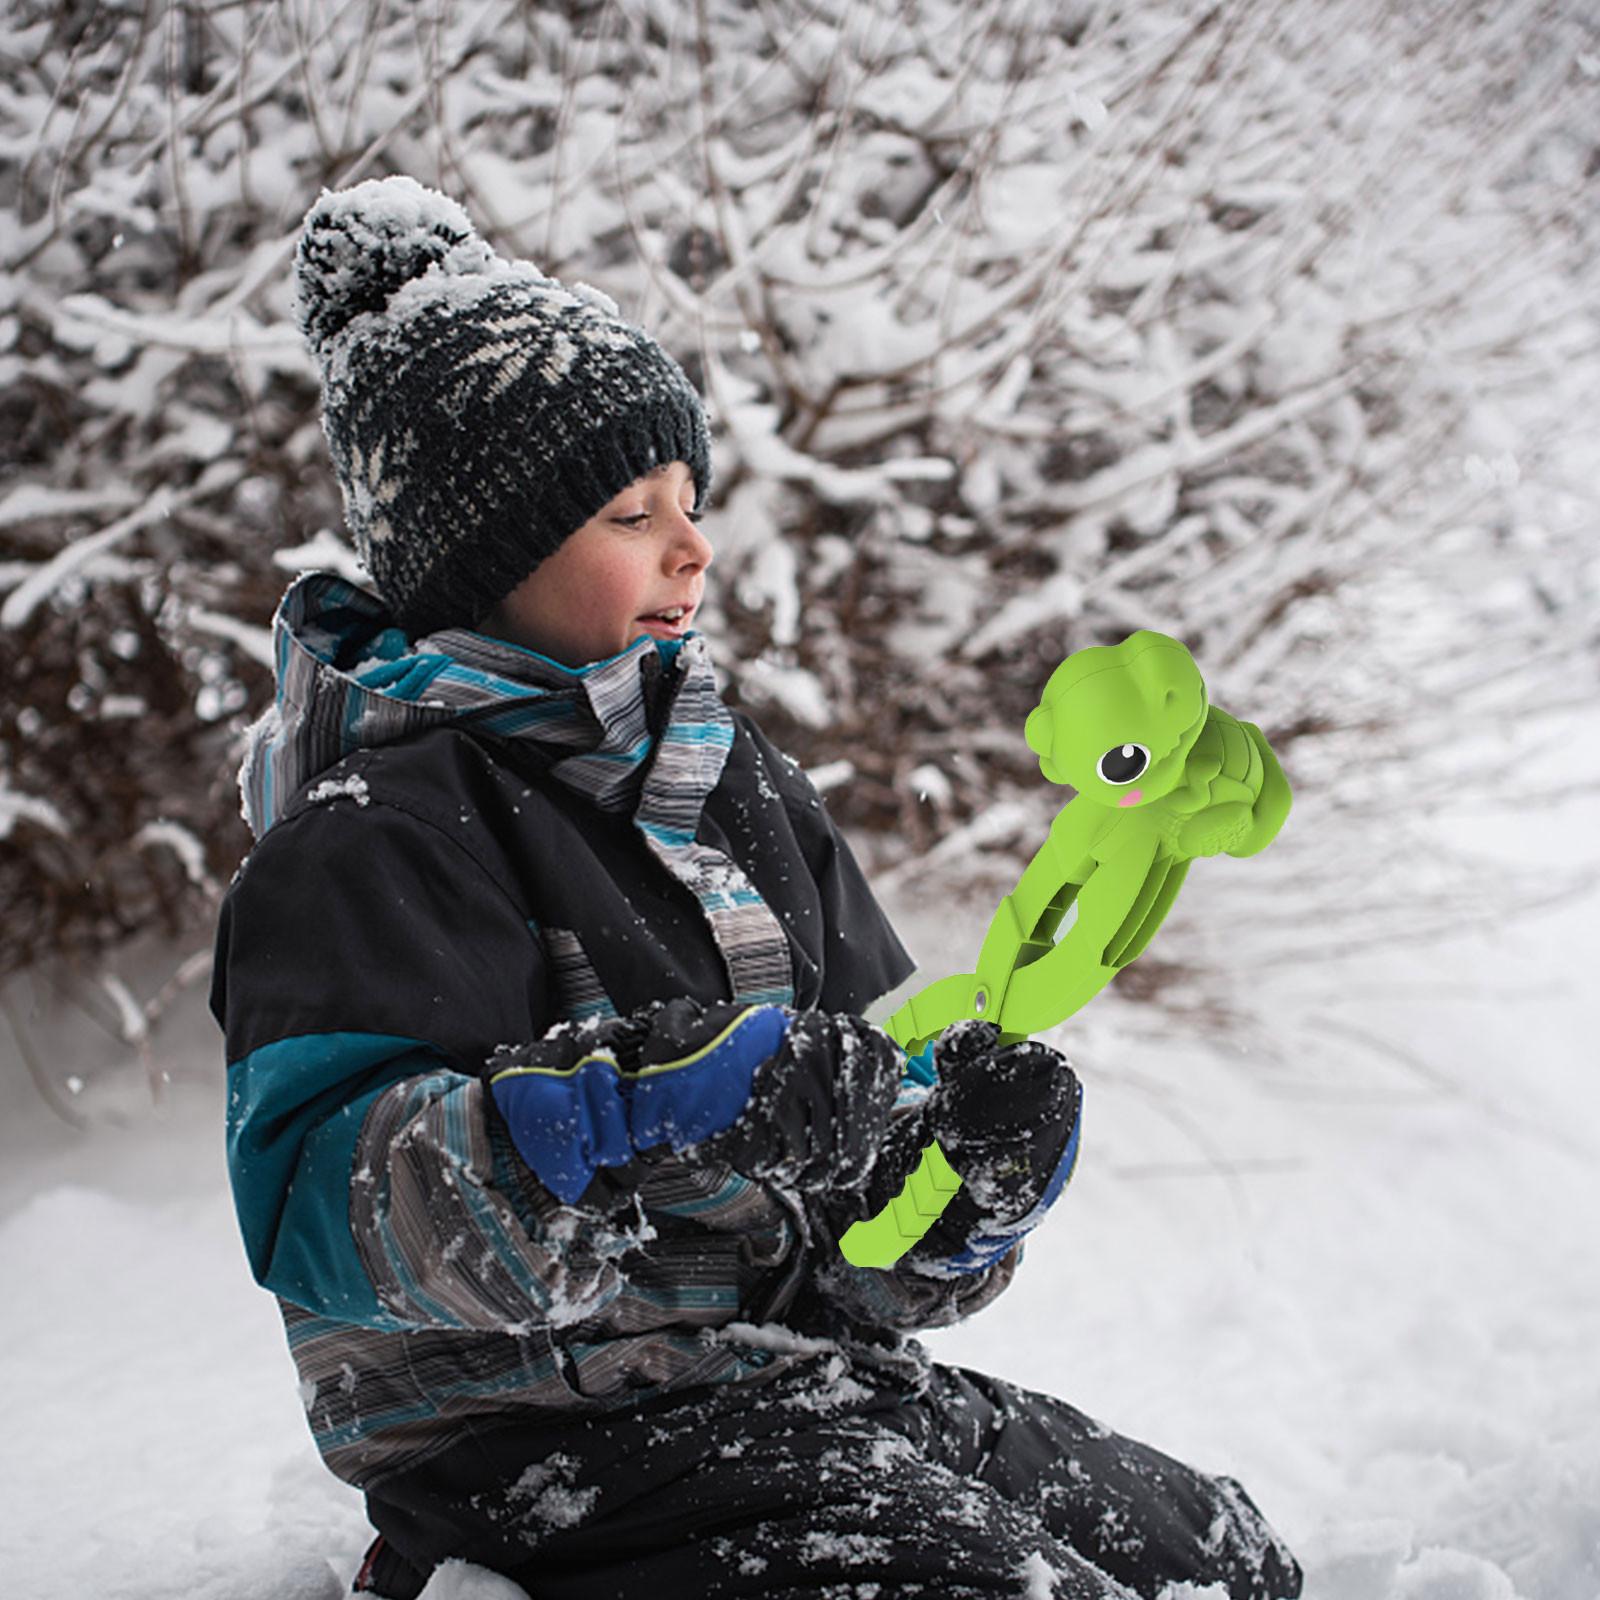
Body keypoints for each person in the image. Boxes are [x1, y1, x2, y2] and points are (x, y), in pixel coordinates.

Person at [211, 175, 1302, 1600]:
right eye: (632, 512)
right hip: (548, 1456)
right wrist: (637, 1106)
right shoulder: (375, 835)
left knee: (1229, 1562)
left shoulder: (738, 787)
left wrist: (955, 1191)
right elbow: (318, 1205)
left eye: (691, 502)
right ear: (485, 561)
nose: (693, 546)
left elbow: (855, 1236)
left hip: (806, 1388)